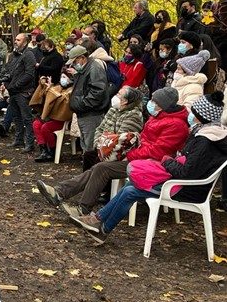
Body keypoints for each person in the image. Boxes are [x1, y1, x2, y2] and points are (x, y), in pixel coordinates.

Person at [73, 91, 226, 244]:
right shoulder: (208, 134)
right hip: (180, 181)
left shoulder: (204, 141)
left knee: (130, 191)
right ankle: (97, 220)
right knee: (130, 185)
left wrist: (167, 161)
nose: (189, 115)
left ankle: (103, 229)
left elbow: (185, 172)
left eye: (193, 111)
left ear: (201, 116)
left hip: (186, 188)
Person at [38, 87, 188, 217]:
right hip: (139, 158)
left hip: (152, 165)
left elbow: (157, 151)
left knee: (101, 168)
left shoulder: (176, 125)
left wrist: (129, 154)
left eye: (154, 101)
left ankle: (77, 204)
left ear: (162, 105)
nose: (151, 104)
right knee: (97, 165)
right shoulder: (158, 117)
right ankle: (61, 193)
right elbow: (108, 131)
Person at [66, 45, 109, 150]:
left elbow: (98, 92)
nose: (73, 64)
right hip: (85, 113)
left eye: (75, 61)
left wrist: (82, 104)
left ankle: (91, 166)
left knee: (90, 147)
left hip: (91, 114)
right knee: (86, 144)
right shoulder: (85, 68)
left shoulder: (94, 68)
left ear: (82, 58)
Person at [2, 33, 37, 151]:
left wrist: (16, 85)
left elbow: (29, 74)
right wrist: (7, 84)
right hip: (13, 91)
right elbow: (7, 70)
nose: (15, 41)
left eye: (18, 40)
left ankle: (30, 143)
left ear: (25, 41)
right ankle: (18, 140)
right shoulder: (13, 55)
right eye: (15, 39)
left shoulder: (29, 54)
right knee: (16, 117)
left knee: (27, 118)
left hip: (23, 91)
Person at [30, 72, 74, 162]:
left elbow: (60, 99)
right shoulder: (58, 87)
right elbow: (48, 99)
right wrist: (47, 87)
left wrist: (50, 90)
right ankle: (44, 150)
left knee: (45, 128)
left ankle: (52, 151)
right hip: (51, 118)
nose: (62, 79)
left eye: (65, 77)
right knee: (36, 124)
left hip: (62, 119)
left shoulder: (71, 90)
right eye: (61, 76)